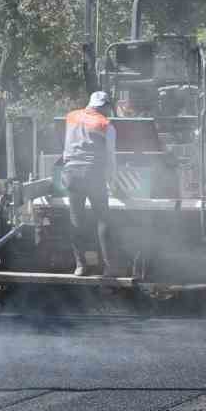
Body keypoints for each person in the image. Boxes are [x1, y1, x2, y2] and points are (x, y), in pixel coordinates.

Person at [61, 90, 118, 277]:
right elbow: (110, 156)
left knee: (76, 219)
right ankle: (109, 267)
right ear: (104, 106)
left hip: (71, 173)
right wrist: (113, 180)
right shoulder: (106, 125)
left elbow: (67, 145)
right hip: (93, 173)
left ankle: (80, 265)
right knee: (103, 219)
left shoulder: (71, 117)